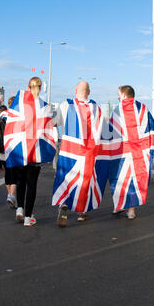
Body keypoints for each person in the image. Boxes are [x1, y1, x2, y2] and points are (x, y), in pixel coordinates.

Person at [52, 81, 111, 227]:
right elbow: (105, 131)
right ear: (89, 92)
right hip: (89, 152)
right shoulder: (96, 108)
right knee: (86, 181)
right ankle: (82, 212)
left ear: (75, 90)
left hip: (69, 151)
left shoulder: (66, 105)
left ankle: (64, 204)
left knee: (66, 177)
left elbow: (53, 122)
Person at [1, 77, 57, 226]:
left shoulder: (18, 104)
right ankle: (28, 217)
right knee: (32, 184)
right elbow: (49, 128)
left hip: (20, 149)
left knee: (20, 181)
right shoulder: (45, 106)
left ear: (28, 87)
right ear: (40, 87)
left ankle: (19, 208)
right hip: (35, 151)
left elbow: (10, 124)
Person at [109, 85, 154, 220]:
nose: (118, 97)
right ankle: (131, 210)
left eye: (119, 95)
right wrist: (150, 149)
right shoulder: (143, 109)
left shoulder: (118, 110)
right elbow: (152, 129)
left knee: (120, 178)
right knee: (135, 179)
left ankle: (119, 205)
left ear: (124, 95)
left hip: (122, 151)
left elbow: (111, 132)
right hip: (139, 152)